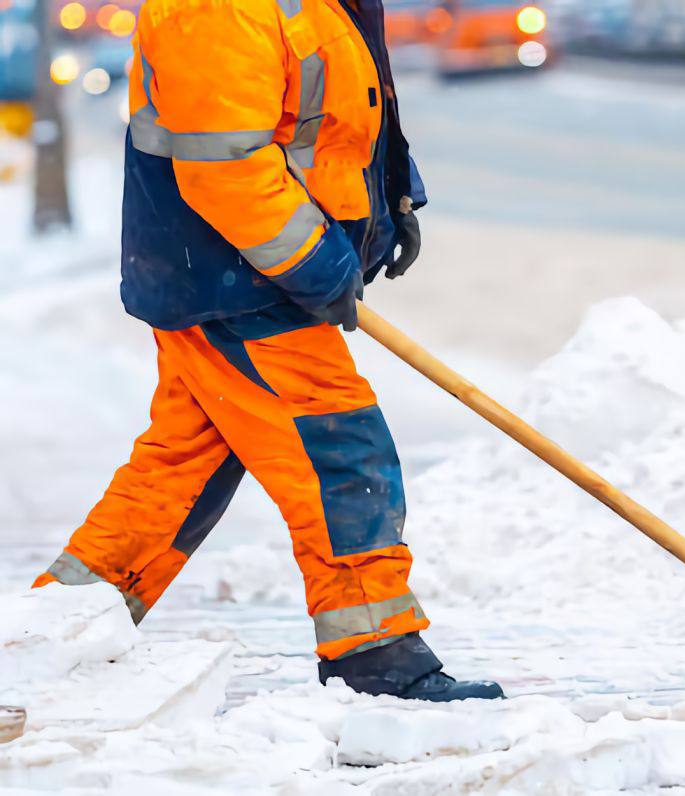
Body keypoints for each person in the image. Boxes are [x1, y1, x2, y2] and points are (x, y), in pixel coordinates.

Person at [31, 0, 502, 702]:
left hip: (247, 271)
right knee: (337, 447)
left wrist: (394, 202)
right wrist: (319, 263)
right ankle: (373, 651)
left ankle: (56, 629)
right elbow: (225, 165)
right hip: (235, 276)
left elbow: (346, 114)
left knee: (183, 466)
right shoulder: (215, 8)